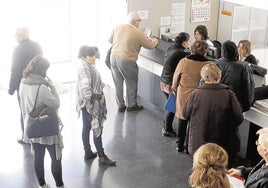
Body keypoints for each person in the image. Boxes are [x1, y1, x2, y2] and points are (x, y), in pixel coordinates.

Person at [183, 63, 244, 167]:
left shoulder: (195, 93)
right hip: (222, 142)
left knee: (199, 170)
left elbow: (185, 114)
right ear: (219, 76)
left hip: (198, 141)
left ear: (204, 77)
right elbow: (239, 118)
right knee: (218, 171)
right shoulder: (228, 94)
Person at [19, 56, 66, 188]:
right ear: (42, 70)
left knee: (38, 158)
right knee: (55, 157)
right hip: (48, 129)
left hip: (33, 127)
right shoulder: (42, 87)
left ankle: (43, 185)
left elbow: (22, 107)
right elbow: (56, 104)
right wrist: (53, 87)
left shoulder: (23, 82)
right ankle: (60, 186)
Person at [108, 11, 158, 112]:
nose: (139, 23)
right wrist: (155, 40)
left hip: (113, 57)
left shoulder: (118, 26)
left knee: (118, 83)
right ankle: (131, 105)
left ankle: (120, 105)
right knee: (131, 82)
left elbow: (110, 40)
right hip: (127, 60)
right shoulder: (137, 33)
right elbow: (150, 46)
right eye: (139, 21)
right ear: (135, 22)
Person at [76, 45, 116, 166]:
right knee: (96, 128)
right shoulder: (85, 69)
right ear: (83, 57)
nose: (94, 57)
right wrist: (100, 96)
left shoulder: (86, 66)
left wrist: (99, 86)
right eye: (91, 55)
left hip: (85, 105)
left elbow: (90, 85)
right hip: (91, 105)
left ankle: (88, 152)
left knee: (87, 127)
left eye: (94, 55)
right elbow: (87, 92)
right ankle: (102, 156)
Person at [172, 40, 211, 153]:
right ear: (206, 51)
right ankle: (190, 147)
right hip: (200, 96)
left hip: (183, 94)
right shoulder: (209, 65)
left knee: (182, 120)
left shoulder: (184, 62)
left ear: (192, 49)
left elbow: (175, 79)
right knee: (194, 123)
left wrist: (175, 89)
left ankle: (179, 145)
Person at [8, 27, 43, 144]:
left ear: (20, 36)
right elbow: (42, 63)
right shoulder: (37, 45)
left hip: (23, 85)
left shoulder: (17, 49)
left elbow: (15, 70)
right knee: (37, 108)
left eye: (16, 35)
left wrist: (11, 88)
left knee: (24, 110)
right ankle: (40, 133)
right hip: (37, 82)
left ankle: (27, 137)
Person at [160, 32, 191, 137]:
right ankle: (167, 128)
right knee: (172, 106)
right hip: (170, 83)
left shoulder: (171, 47)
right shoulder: (181, 54)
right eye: (188, 41)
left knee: (170, 105)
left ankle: (166, 125)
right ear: (184, 42)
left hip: (163, 81)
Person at [216, 40, 255, 112]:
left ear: (222, 53)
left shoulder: (216, 64)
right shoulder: (244, 67)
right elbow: (248, 89)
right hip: (235, 107)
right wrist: (245, 107)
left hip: (217, 104)